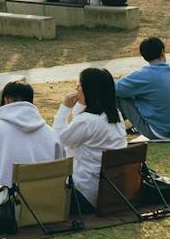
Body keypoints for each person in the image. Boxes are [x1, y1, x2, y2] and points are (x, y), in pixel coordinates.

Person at [55, 67, 130, 213]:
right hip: (113, 190)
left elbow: (58, 141)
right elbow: (80, 120)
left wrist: (64, 108)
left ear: (90, 90)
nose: (77, 88)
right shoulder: (115, 115)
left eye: (80, 85)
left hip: (86, 193)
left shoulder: (87, 122)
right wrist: (82, 103)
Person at [0, 82, 64, 188]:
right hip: (48, 199)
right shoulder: (51, 133)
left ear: (7, 100)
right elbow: (60, 167)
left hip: (6, 200)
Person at [115, 38, 170, 139]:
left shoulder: (144, 75)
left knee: (119, 95)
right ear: (162, 51)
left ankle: (109, 129)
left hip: (159, 132)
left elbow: (114, 88)